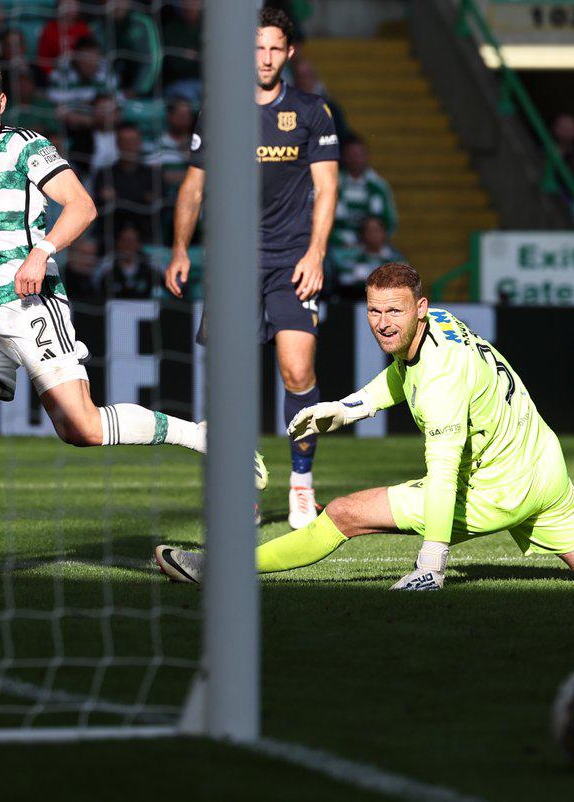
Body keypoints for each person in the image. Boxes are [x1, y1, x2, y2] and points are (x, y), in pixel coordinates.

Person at [0, 56, 265, 578]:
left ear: (2, 102)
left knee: (80, 428)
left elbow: (82, 206)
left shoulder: (24, 146)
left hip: (31, 306)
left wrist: (41, 253)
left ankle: (205, 437)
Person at [155, 263, 574, 589]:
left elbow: (442, 474)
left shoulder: (439, 384)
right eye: (374, 310)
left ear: (419, 307)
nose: (384, 324)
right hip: (546, 467)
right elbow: (396, 377)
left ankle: (223, 571)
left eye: (395, 311)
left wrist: (431, 562)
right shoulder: (442, 325)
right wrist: (350, 408)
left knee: (344, 514)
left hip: (498, 485)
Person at [166, 8, 338, 529]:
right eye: (255, 48)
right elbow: (193, 187)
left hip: (290, 260)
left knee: (297, 371)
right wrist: (179, 250)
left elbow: (328, 187)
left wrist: (316, 253)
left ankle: (302, 485)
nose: (264, 58)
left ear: (288, 54)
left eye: (273, 49)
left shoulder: (312, 110)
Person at [331, 138, 396, 247]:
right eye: (351, 154)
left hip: (371, 248)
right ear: (343, 157)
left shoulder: (378, 185)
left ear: (367, 156)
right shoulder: (332, 183)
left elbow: (390, 222)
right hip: (337, 248)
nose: (355, 158)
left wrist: (374, 240)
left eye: (359, 154)